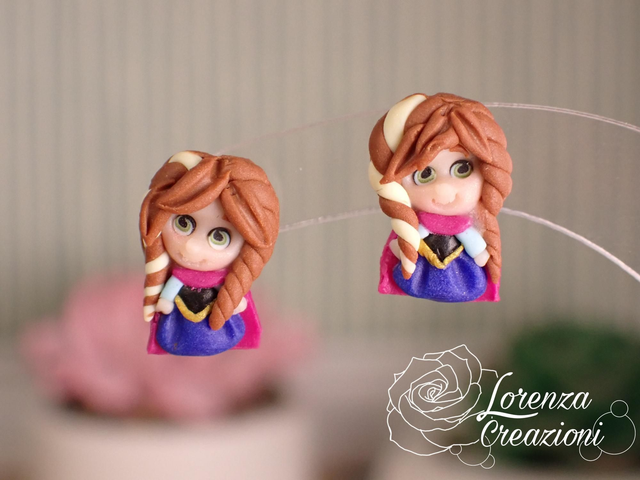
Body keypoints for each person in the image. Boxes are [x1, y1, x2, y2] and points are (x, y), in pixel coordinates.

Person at [369, 93, 512, 302]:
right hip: (420, 274)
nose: (444, 190)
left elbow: (477, 250)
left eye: (462, 169)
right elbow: (404, 245)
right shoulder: (419, 224)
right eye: (424, 174)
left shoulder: (465, 226)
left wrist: (481, 253)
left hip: (462, 275)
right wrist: (404, 248)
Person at [139, 151, 279, 355]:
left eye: (219, 237)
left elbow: (231, 296)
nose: (192, 247)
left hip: (218, 328)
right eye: (183, 223)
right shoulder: (178, 276)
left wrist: (236, 301)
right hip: (179, 329)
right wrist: (165, 301)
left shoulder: (225, 279)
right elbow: (170, 290)